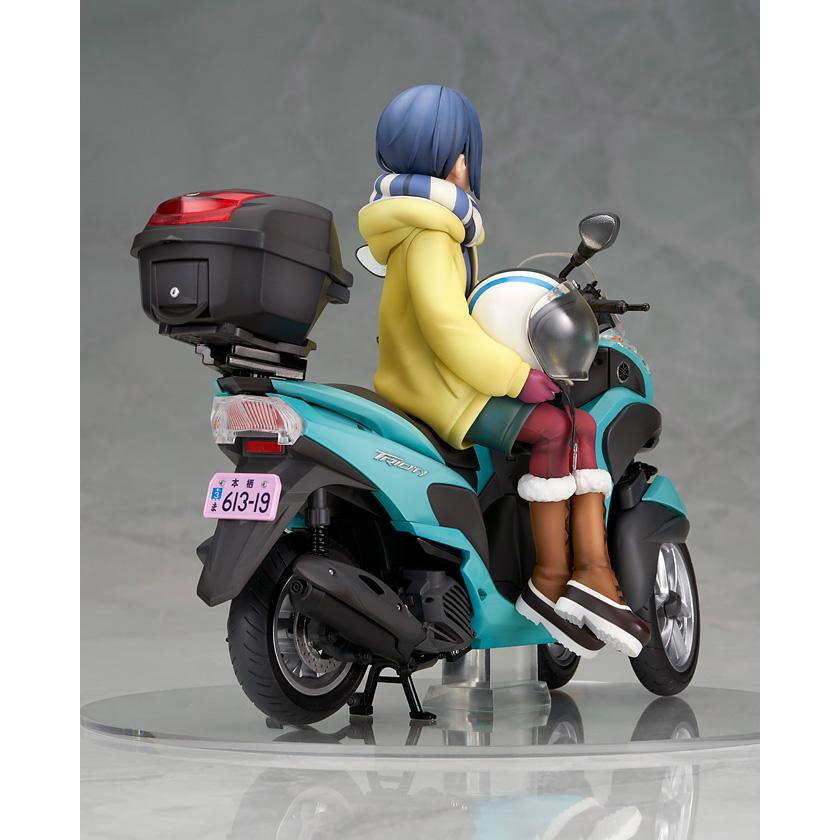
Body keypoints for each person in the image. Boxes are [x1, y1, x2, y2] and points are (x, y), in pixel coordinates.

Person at [358, 85, 649, 658]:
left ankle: (587, 574)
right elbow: (447, 328)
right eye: (466, 152)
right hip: (440, 393)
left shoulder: (413, 227)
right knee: (561, 426)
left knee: (576, 427)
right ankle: (555, 579)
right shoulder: (433, 233)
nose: (469, 164)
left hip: (425, 379)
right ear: (455, 157)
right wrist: (518, 377)